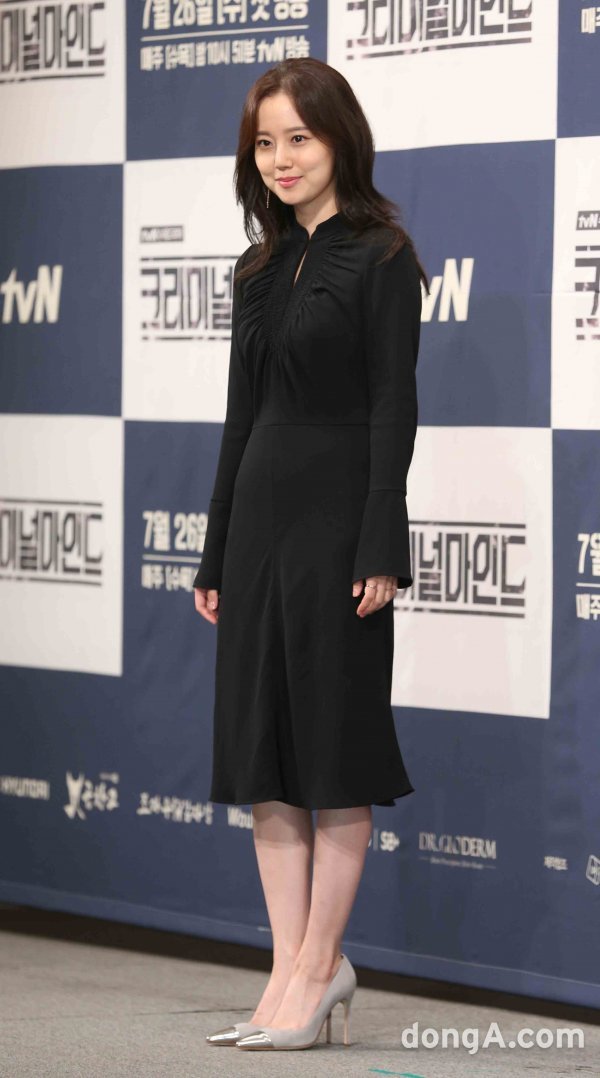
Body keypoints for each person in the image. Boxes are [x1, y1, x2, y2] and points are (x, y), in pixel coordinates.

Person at [194, 56, 429, 1052]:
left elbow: (393, 405)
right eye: (266, 142)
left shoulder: (383, 256)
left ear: (339, 139)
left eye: (299, 137)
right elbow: (239, 417)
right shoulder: (255, 269)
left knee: (332, 752)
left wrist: (382, 540)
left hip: (339, 528)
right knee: (268, 757)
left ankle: (320, 963)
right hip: (258, 524)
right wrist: (214, 551)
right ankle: (289, 969)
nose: (281, 158)